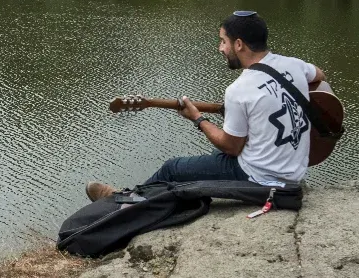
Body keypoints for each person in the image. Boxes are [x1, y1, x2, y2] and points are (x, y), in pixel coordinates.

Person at [85, 11, 327, 201]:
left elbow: (232, 147)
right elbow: (320, 75)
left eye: (223, 41)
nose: (220, 48)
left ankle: (127, 202)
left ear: (239, 44)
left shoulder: (240, 89)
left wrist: (198, 119)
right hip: (293, 173)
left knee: (173, 168)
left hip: (261, 179)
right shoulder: (294, 65)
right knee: (212, 157)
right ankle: (158, 199)